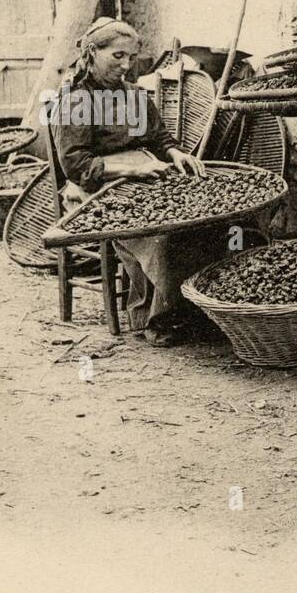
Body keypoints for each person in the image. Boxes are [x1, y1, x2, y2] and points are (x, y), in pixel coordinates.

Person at [49, 17, 221, 347]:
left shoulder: (133, 95)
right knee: (160, 237)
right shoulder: (75, 100)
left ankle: (196, 311)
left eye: (131, 57)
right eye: (117, 56)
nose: (126, 65)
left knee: (198, 221)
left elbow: (159, 139)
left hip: (143, 177)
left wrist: (174, 154)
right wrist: (130, 171)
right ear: (92, 53)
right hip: (93, 190)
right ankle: (155, 319)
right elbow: (76, 165)